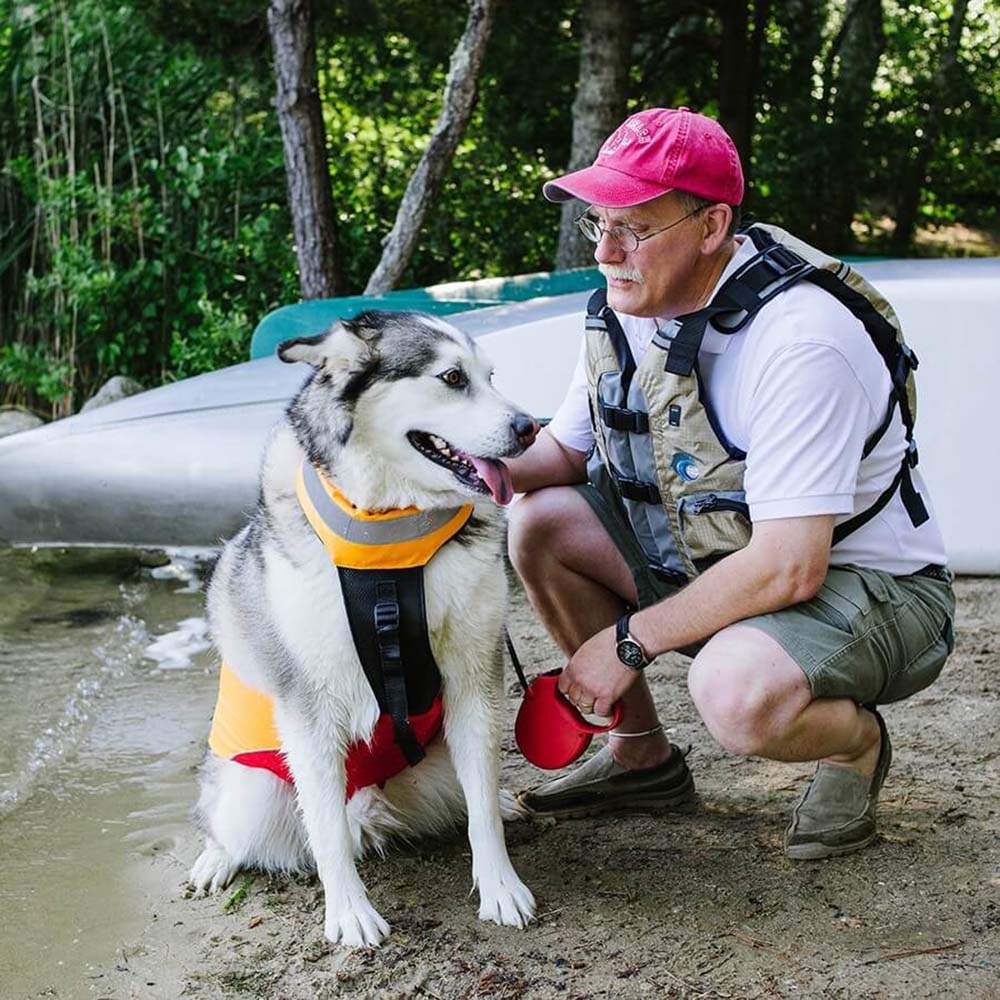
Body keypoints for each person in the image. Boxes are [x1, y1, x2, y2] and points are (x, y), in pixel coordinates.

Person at [504, 107, 955, 859]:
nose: (607, 252)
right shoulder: (634, 306)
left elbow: (790, 563)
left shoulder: (800, 338)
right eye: (597, 225)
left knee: (733, 693)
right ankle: (641, 762)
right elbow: (560, 455)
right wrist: (447, 468)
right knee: (541, 521)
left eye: (633, 230)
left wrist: (625, 643)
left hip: (874, 589)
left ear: (712, 227)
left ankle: (855, 746)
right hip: (718, 557)